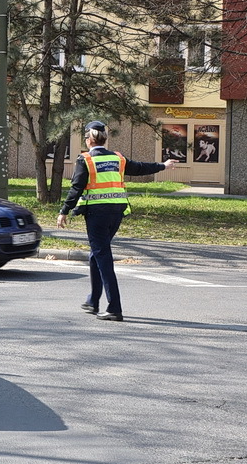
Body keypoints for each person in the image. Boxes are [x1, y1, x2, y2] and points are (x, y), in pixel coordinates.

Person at [56, 121, 176, 321]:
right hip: (116, 212)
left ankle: (114, 308)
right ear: (104, 139)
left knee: (102, 256)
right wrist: (162, 165)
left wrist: (64, 211)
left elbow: (76, 188)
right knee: (96, 254)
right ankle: (93, 301)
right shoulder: (117, 158)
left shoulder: (85, 159)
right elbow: (139, 168)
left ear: (88, 140)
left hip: (97, 214)